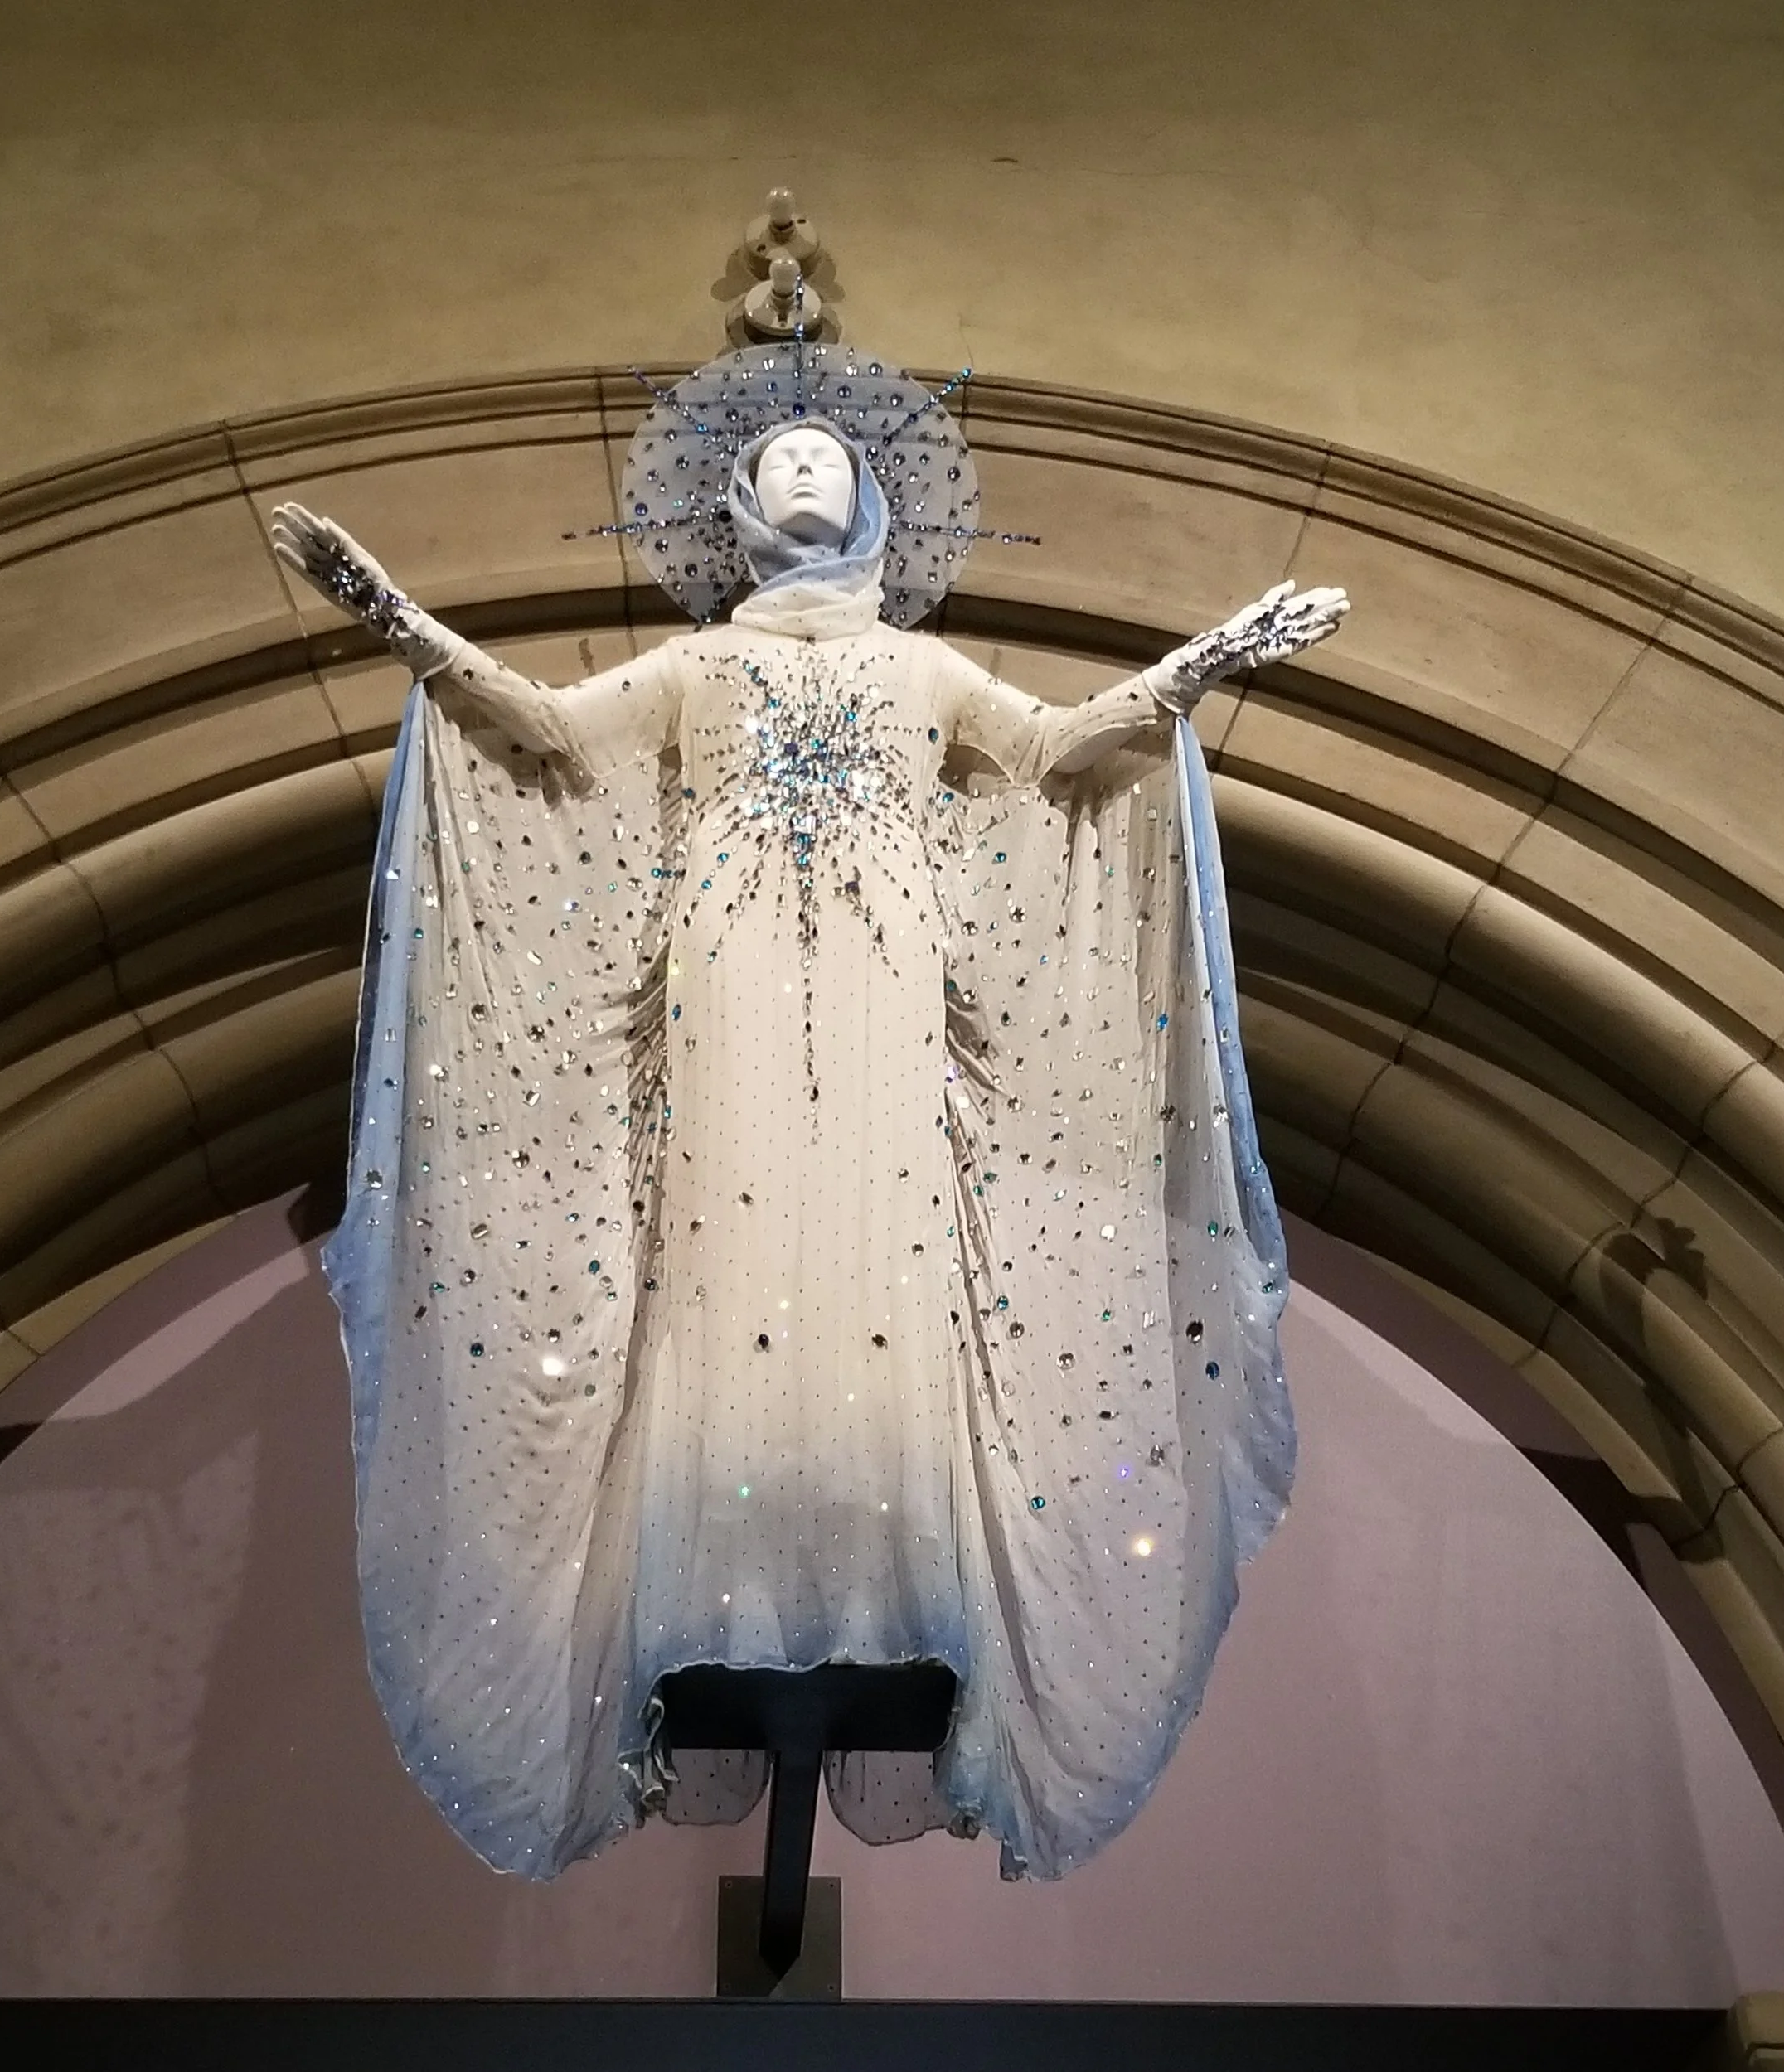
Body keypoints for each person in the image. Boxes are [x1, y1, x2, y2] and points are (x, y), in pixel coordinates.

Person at [275, 395, 1346, 1881]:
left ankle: (889, 1570)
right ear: (736, 507)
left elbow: (1058, 752)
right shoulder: (702, 664)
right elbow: (546, 730)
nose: (799, 472)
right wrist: (394, 618)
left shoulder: (920, 668)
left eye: (824, 461)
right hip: (720, 965)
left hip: (890, 969)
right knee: (725, 1244)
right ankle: (717, 1579)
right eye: (776, 461)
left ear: (871, 505)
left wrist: (1204, 664)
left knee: (885, 1245)